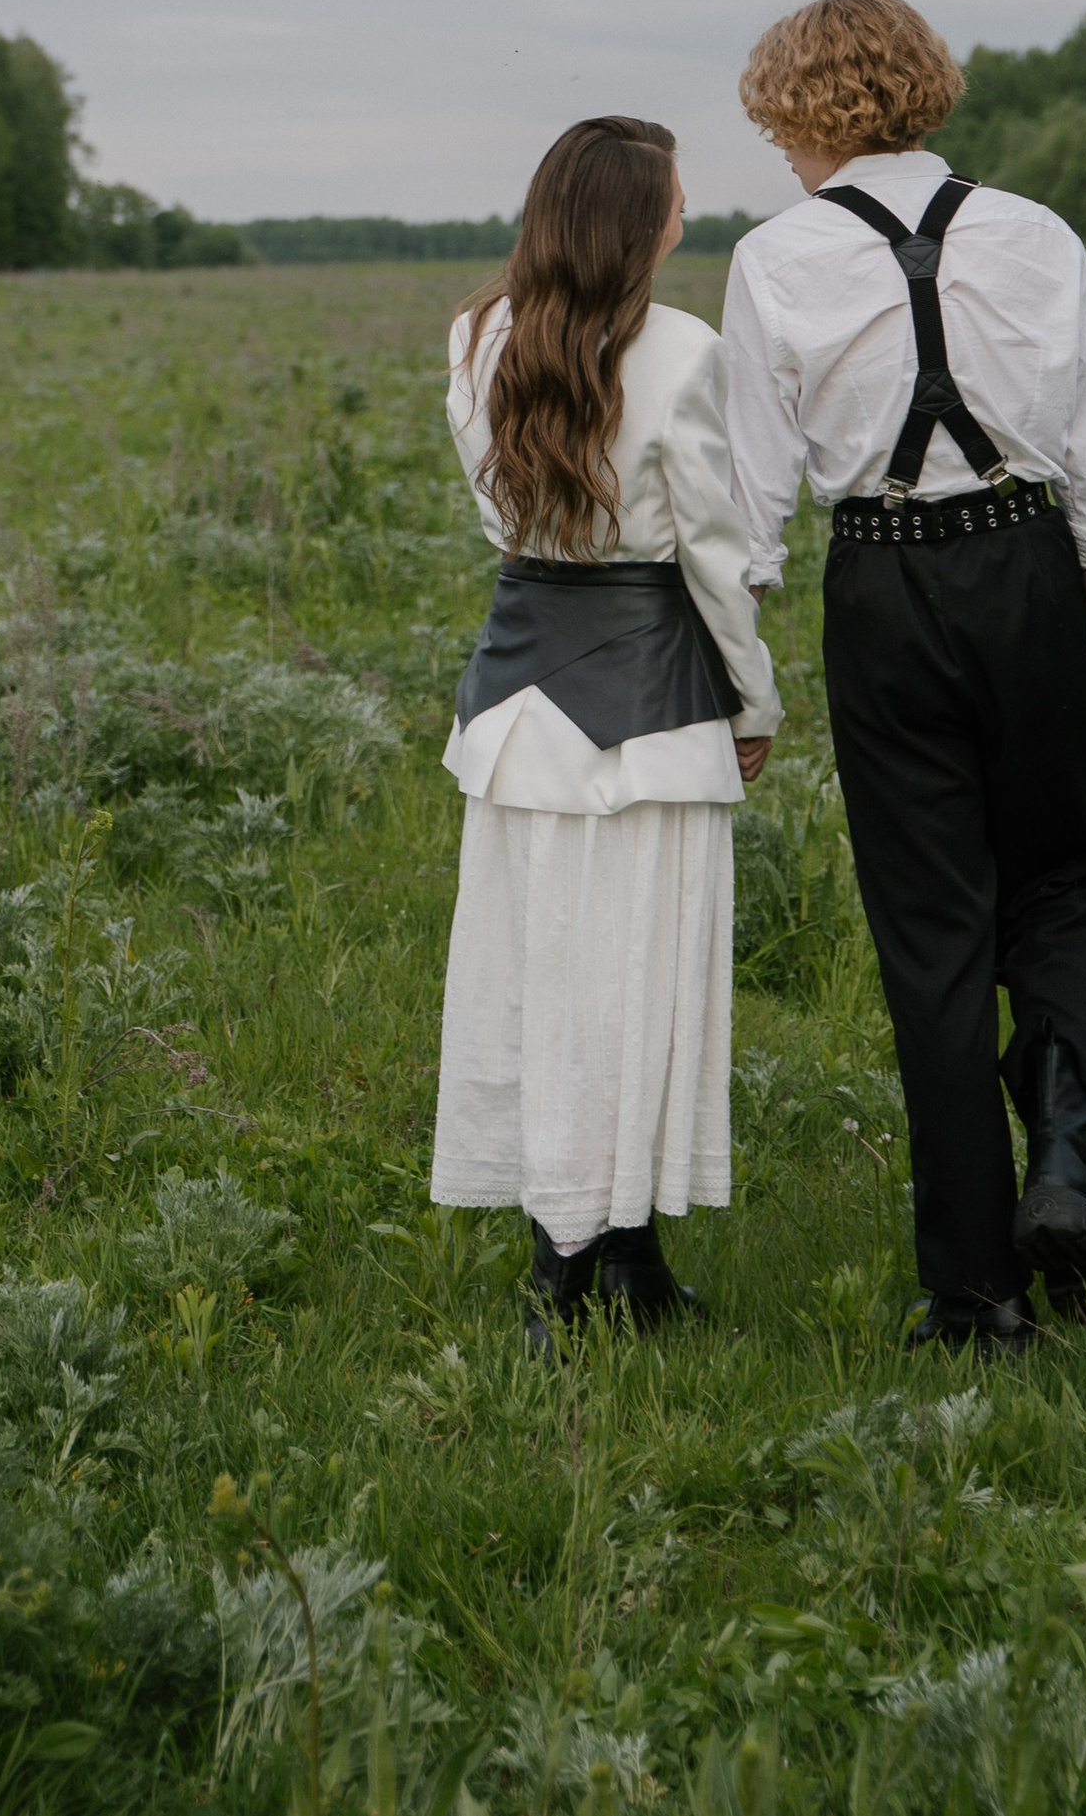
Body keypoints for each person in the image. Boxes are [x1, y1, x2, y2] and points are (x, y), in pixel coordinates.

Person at [719, 0, 1086, 1357]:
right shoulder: (1036, 232)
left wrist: (739, 681)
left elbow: (748, 511)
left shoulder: (774, 257)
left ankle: (975, 1292)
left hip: (883, 585)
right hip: (1029, 569)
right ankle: (1064, 1157)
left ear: (798, 109)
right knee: (1065, 876)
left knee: (932, 928)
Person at [429, 115, 783, 1347]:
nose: (686, 211)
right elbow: (715, 557)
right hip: (653, 711)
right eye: (674, 195)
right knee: (637, 978)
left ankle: (617, 1258)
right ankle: (573, 1271)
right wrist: (754, 701)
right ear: (638, 219)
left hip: (517, 709)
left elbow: (504, 529)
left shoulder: (477, 338)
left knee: (542, 978)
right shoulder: (682, 350)